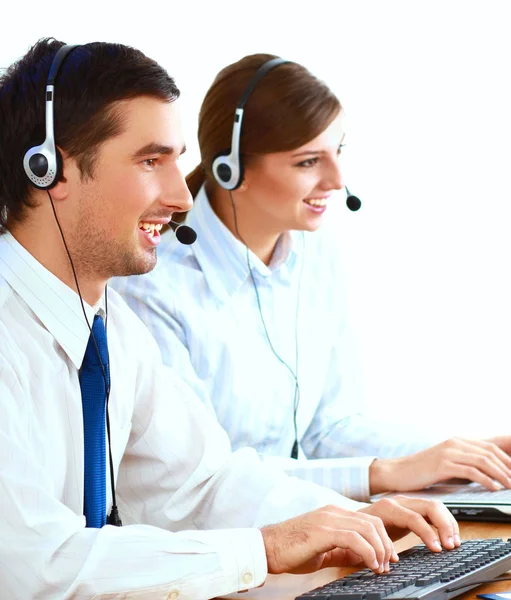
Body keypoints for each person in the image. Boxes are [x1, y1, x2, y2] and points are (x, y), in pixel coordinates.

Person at [0, 38, 461, 600]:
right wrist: (262, 548)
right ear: (51, 169)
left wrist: (348, 517)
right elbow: (30, 565)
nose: (181, 195)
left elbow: (202, 483)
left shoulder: (113, 331)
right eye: (151, 161)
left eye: (177, 160)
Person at [112, 53, 511, 504]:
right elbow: (207, 475)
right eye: (308, 162)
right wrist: (383, 473)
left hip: (304, 522)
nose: (337, 180)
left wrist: (463, 458)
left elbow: (332, 427)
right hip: (214, 542)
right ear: (231, 168)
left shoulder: (316, 256)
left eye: (337, 151)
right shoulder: (149, 286)